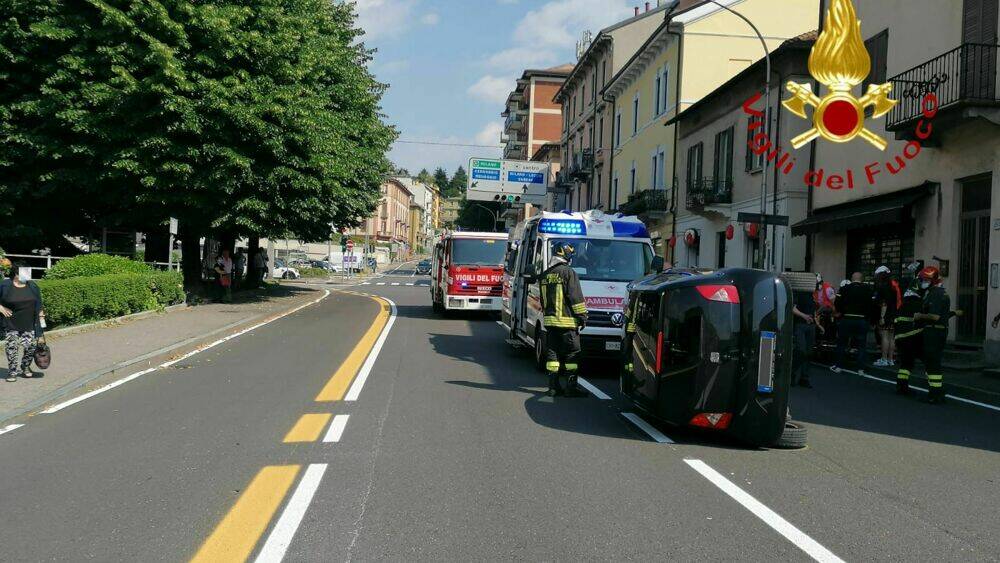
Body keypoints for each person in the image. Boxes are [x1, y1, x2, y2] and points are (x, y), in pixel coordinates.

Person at [540, 242, 588, 397]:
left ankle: (553, 387)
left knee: (552, 355)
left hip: (550, 323)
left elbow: (543, 300)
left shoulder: (546, 275)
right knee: (572, 355)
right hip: (567, 323)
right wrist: (582, 317)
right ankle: (571, 387)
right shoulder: (568, 273)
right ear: (566, 255)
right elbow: (575, 297)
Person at [913, 267, 955, 404]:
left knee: (933, 362)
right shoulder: (935, 292)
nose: (923, 282)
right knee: (931, 361)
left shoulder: (936, 293)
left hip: (934, 331)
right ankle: (937, 391)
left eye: (926, 280)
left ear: (933, 280)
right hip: (935, 331)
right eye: (922, 279)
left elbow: (935, 316)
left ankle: (935, 393)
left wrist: (920, 316)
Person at [0, 264, 45, 382]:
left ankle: (25, 366)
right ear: (16, 274)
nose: (28, 275)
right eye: (25, 272)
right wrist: (0, 308)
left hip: (29, 323)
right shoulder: (5, 285)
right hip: (10, 322)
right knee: (12, 348)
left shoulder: (33, 286)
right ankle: (12, 371)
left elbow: (39, 305)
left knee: (30, 347)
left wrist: (41, 321)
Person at [831, 272, 873, 376]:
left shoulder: (845, 288)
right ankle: (861, 369)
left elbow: (837, 303)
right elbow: (872, 305)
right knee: (861, 345)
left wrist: (841, 312)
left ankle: (839, 366)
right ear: (862, 279)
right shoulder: (867, 289)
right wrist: (869, 318)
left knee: (842, 343)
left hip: (847, 318)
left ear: (852, 278)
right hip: (861, 319)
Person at [893, 280, 925, 395]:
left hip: (900, 338)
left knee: (905, 363)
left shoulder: (902, 304)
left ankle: (901, 386)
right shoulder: (919, 304)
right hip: (913, 338)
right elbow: (923, 320)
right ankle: (935, 388)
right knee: (927, 361)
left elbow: (897, 321)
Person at [791, 278, 822, 388]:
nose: (818, 286)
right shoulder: (800, 293)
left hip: (811, 326)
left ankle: (804, 378)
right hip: (800, 325)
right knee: (801, 351)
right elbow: (793, 308)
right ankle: (792, 373)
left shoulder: (812, 296)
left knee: (808, 353)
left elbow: (813, 313)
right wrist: (804, 316)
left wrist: (818, 324)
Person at [873, 265, 900, 366]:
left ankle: (884, 359)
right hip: (894, 314)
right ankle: (890, 359)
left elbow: (883, 303)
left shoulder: (882, 287)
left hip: (886, 315)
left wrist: (882, 317)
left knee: (885, 337)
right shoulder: (894, 286)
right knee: (892, 337)